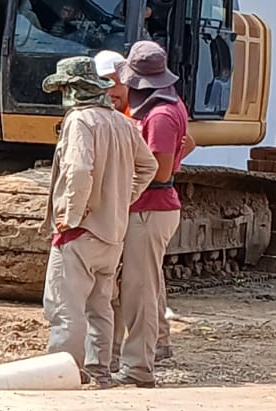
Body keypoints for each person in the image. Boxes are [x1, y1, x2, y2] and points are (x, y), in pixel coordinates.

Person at [41, 55, 158, 384]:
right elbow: (148, 166)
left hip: (81, 232)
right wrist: (123, 199)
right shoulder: (122, 122)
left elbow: (78, 171)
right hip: (112, 233)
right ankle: (99, 372)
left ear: (74, 89)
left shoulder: (80, 121)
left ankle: (64, 374)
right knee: (100, 307)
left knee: (65, 308)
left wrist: (72, 215)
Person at [113, 40, 189, 387]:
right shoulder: (167, 105)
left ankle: (138, 368)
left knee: (138, 290)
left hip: (150, 209)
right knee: (147, 284)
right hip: (152, 208)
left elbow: (158, 172)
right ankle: (150, 349)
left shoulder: (159, 116)